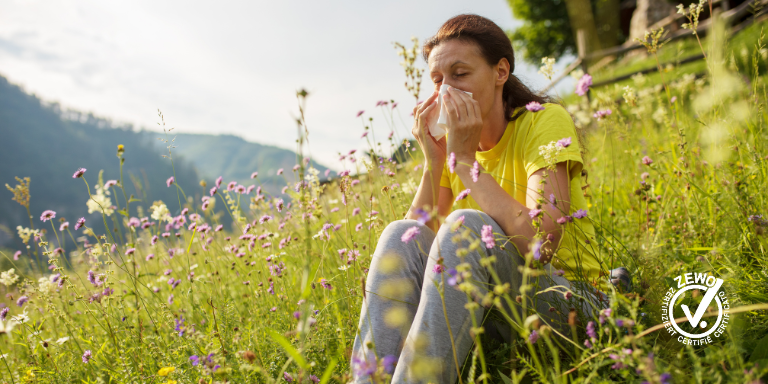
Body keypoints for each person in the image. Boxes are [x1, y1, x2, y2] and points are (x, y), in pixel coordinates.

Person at [350, 14, 614, 384]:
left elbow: (540, 246)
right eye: (438, 80)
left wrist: (465, 163)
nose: (445, 91)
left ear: (500, 71)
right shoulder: (454, 146)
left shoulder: (544, 121)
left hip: (571, 306)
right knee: (398, 233)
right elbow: (414, 245)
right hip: (496, 311)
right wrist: (435, 161)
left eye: (460, 74)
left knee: (465, 226)